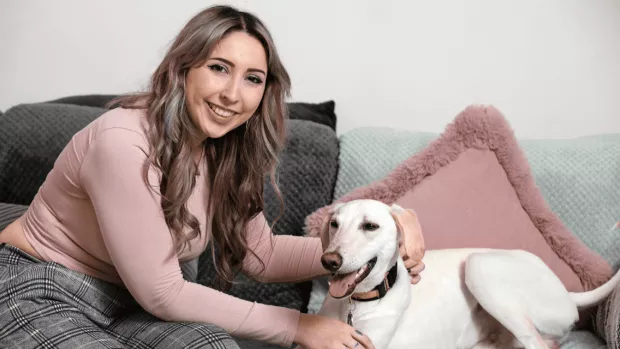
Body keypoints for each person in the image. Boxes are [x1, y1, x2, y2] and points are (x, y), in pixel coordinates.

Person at [0, 5, 424, 349]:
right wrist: (299, 325)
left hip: (127, 302)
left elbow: (262, 254)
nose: (232, 94)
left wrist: (374, 247)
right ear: (184, 68)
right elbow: (163, 293)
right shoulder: (122, 142)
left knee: (213, 345)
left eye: (252, 79)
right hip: (43, 284)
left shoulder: (227, 152)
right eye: (219, 68)